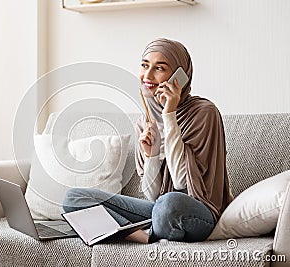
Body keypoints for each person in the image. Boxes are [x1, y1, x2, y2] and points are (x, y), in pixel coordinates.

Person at [63, 38, 233, 243]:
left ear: (181, 77)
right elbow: (153, 195)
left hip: (196, 213)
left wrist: (169, 115)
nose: (148, 76)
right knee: (74, 198)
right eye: (145, 66)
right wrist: (151, 155)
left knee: (168, 204)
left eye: (159, 68)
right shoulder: (145, 120)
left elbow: (180, 182)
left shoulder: (205, 113)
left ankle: (118, 228)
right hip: (160, 211)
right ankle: (141, 236)